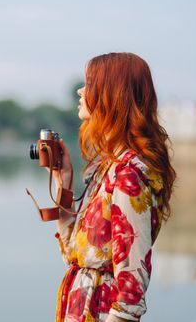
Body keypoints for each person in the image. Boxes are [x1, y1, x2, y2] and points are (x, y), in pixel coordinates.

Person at [49, 52, 176, 321]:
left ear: (112, 95)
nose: (80, 91)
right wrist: (65, 180)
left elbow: (130, 295)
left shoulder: (128, 175)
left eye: (90, 83)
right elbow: (73, 252)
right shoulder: (110, 167)